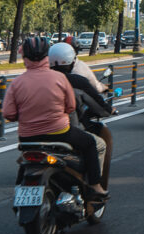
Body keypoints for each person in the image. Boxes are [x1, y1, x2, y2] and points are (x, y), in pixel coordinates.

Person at [3, 37, 108, 198]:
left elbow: (9, 114)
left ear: (24, 58)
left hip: (27, 138)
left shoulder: (17, 83)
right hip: (60, 133)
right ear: (47, 56)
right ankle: (95, 185)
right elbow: (71, 106)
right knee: (90, 143)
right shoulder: (60, 79)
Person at [48, 42, 114, 185]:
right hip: (65, 130)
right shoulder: (76, 82)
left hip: (30, 134)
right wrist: (109, 110)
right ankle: (94, 186)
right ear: (71, 61)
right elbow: (99, 108)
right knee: (99, 144)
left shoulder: (35, 81)